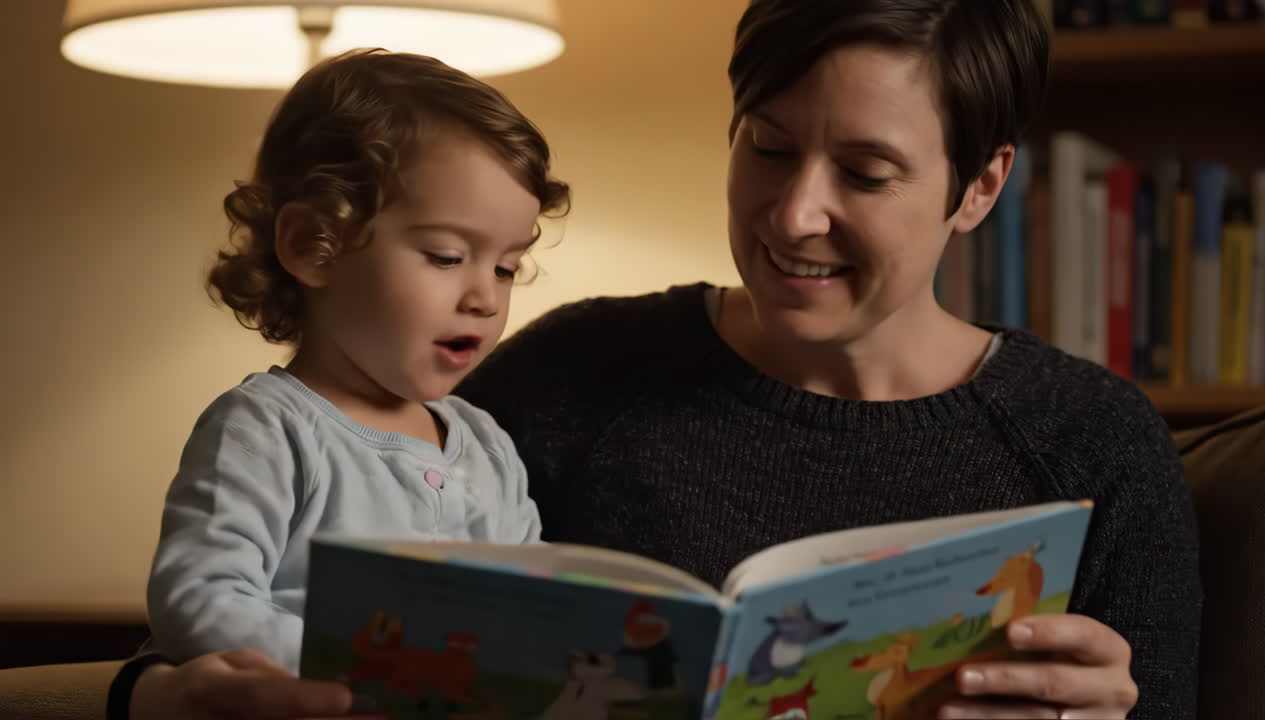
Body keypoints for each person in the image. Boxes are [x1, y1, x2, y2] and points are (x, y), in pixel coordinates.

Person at [109, 1, 1201, 719]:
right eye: (766, 146)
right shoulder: (565, 377)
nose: (794, 211)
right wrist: (152, 697)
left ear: (979, 187)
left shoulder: (1089, 446)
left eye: (864, 173)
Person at [141, 49, 568, 676]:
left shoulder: (486, 446)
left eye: (505, 267)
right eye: (447, 257)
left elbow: (538, 605)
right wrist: (375, 665)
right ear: (313, 248)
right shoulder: (267, 430)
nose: (484, 298)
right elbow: (196, 603)